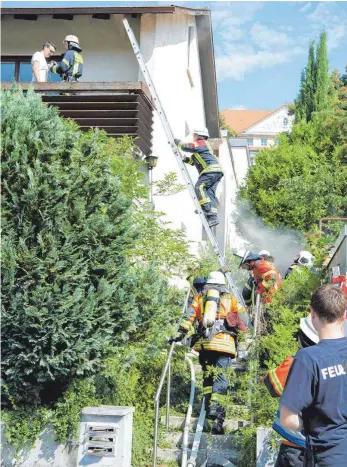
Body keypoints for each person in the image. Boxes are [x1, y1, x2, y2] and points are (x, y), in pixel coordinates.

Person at [169, 271, 247, 434]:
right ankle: (217, 416)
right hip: (225, 345)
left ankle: (208, 405)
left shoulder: (200, 298)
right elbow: (241, 320)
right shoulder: (230, 299)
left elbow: (189, 316)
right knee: (221, 378)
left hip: (205, 345)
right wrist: (243, 339)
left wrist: (181, 332)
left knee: (207, 378)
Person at [280, 285, 347, 466]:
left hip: (326, 456)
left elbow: (287, 419)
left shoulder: (308, 358)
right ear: (344, 315)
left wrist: (306, 424)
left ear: (312, 313)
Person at [263, 315, 319, 467]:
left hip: (294, 443)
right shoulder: (330, 363)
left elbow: (273, 386)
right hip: (319, 445)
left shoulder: (296, 361)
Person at [174, 128, 224, 228]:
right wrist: (184, 159)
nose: (193, 137)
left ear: (199, 136)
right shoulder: (202, 149)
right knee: (209, 193)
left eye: (194, 135)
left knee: (199, 187)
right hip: (217, 172)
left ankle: (205, 208)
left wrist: (178, 142)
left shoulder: (202, 143)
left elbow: (186, 147)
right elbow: (193, 162)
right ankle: (213, 217)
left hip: (210, 170)